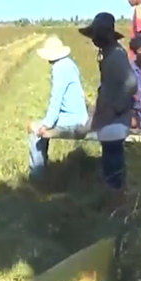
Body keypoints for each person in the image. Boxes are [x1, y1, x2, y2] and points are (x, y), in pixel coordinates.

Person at [79, 12, 137, 205]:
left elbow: (131, 83)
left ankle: (116, 204)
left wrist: (115, 108)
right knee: (110, 163)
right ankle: (112, 202)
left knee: (114, 166)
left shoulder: (116, 56)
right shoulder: (110, 54)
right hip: (109, 120)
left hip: (116, 121)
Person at [28, 36, 89, 179]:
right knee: (39, 127)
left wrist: (47, 124)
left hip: (73, 118)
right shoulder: (68, 63)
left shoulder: (59, 68)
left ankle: (37, 177)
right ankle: (42, 170)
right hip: (78, 114)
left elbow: (56, 98)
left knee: (34, 130)